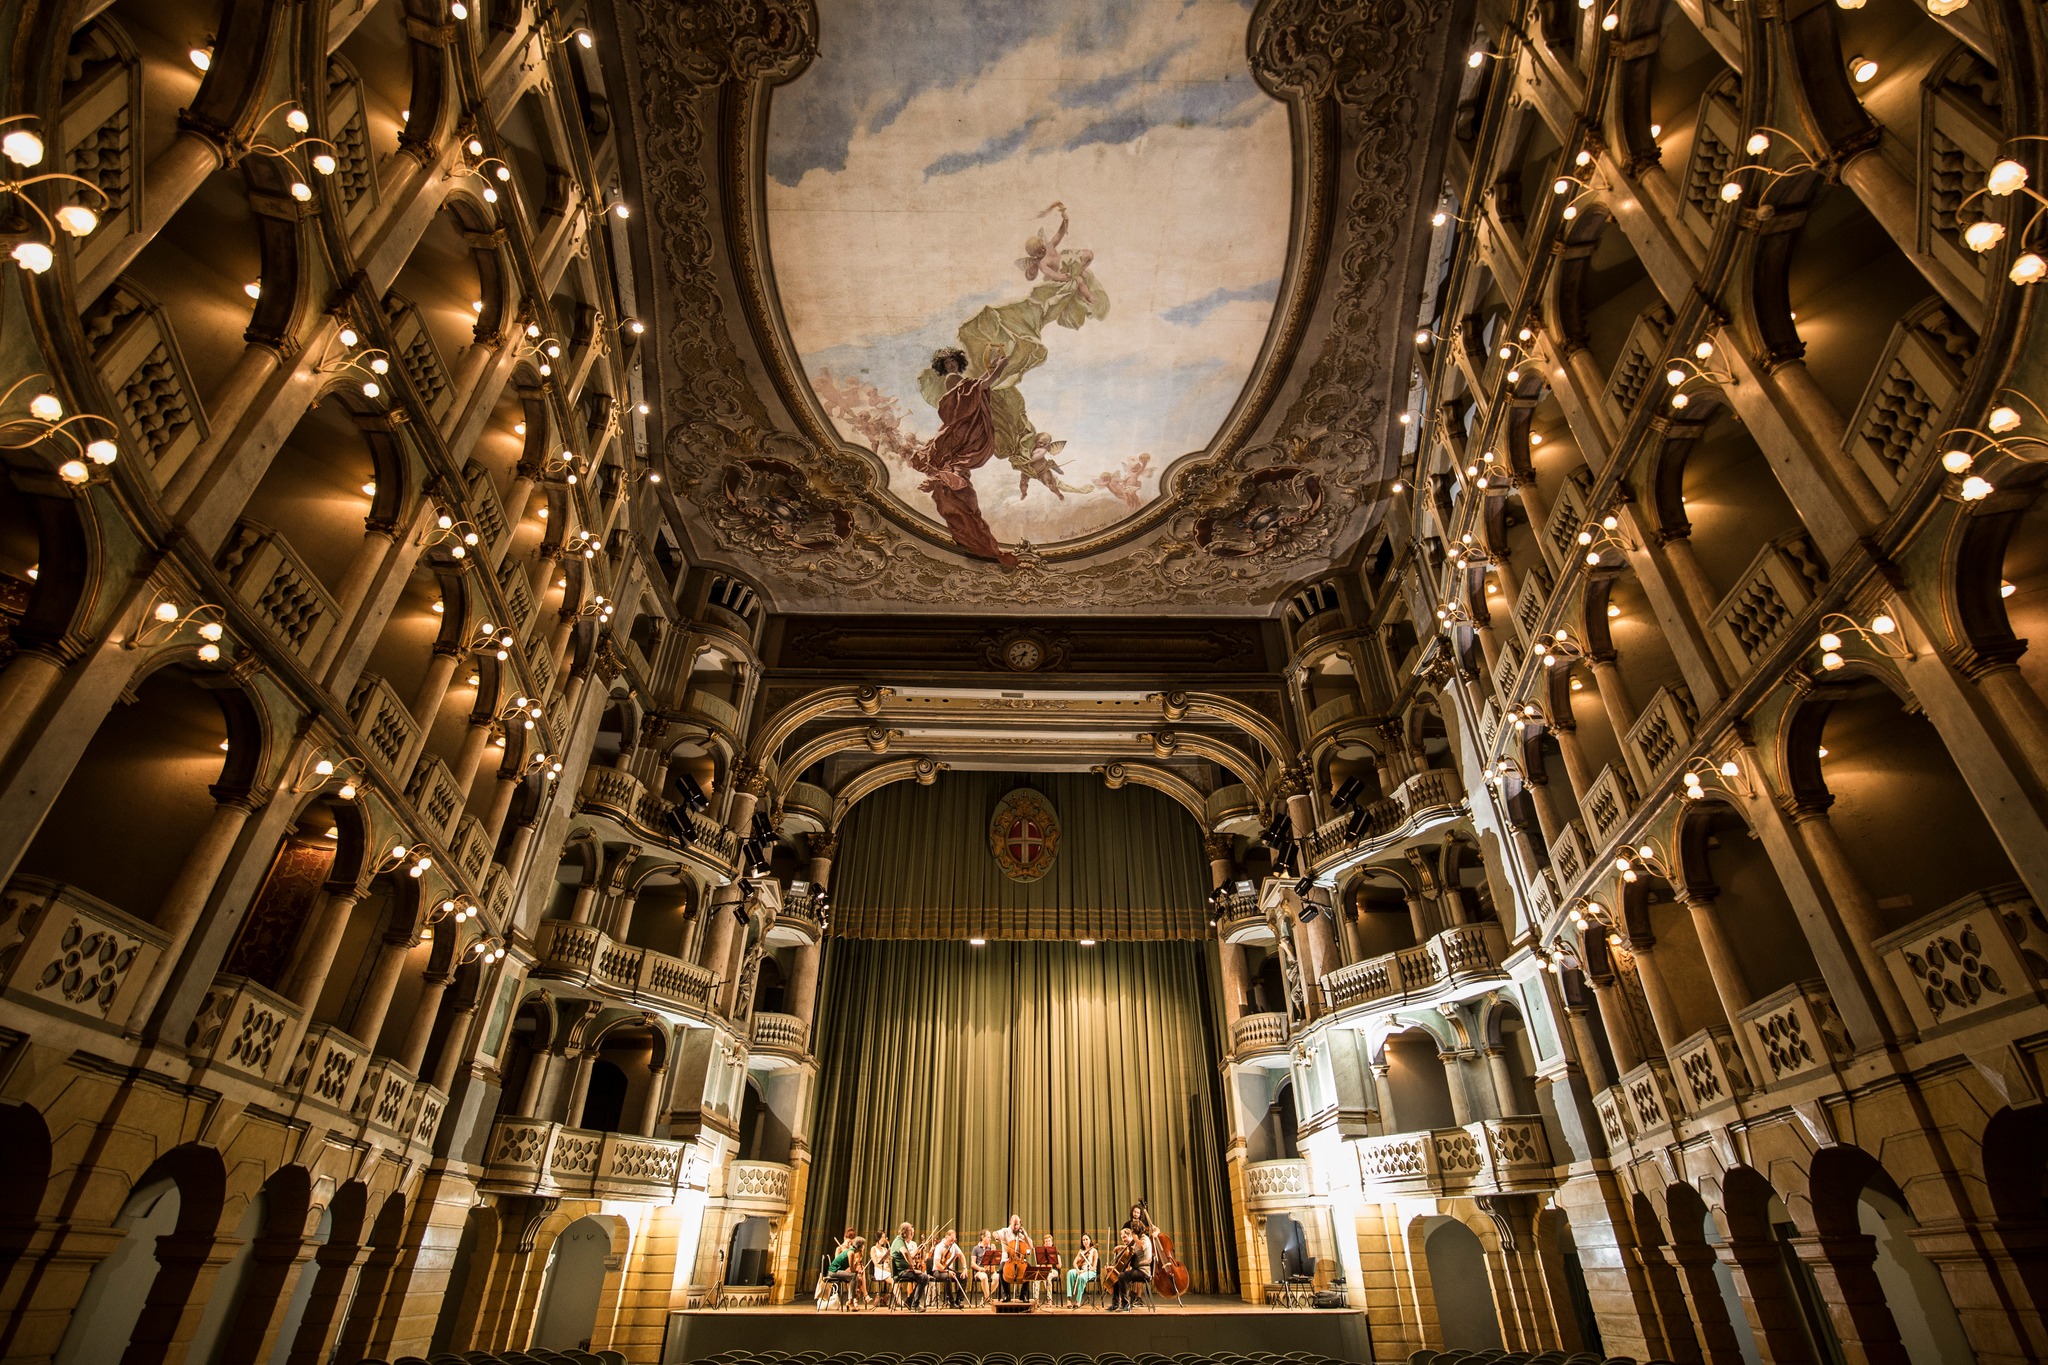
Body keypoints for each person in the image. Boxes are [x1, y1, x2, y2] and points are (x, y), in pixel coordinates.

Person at [1110, 1226, 1152, 1312]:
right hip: (1137, 1270)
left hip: (1143, 1271)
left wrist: (1135, 1238)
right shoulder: (1137, 1240)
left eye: (1133, 1233)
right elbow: (1132, 1249)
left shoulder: (1144, 1239)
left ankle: (1125, 1304)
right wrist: (1122, 1247)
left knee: (1122, 1276)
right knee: (1117, 1275)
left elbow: (1142, 1247)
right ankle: (1115, 1303)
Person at [890, 1222, 929, 1308]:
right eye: (910, 1231)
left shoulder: (901, 1241)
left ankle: (909, 1301)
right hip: (901, 1272)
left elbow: (908, 1255)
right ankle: (914, 1304)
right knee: (924, 1278)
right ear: (904, 1232)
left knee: (923, 1277)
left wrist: (919, 1249)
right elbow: (905, 1252)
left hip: (904, 1270)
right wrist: (912, 1266)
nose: (911, 1233)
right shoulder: (899, 1241)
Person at [995, 1213, 1031, 1302]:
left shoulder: (1022, 1234)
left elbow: (1030, 1246)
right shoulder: (1005, 1231)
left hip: (1020, 1259)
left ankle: (1023, 1294)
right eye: (1014, 1224)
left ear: (1020, 1224)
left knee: (1030, 1269)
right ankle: (1007, 1294)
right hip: (1007, 1259)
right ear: (1010, 1222)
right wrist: (996, 1236)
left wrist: (1025, 1235)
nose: (1015, 1226)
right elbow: (995, 1233)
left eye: (1017, 1224)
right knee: (1000, 1270)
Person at [929, 1230, 968, 1308]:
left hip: (949, 1270)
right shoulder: (939, 1247)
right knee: (947, 1277)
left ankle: (959, 1300)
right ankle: (951, 1302)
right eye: (951, 1240)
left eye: (954, 1240)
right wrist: (947, 1271)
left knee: (963, 1277)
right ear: (946, 1237)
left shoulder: (954, 1245)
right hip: (938, 1271)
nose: (952, 1242)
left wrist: (965, 1268)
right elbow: (937, 1263)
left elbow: (961, 1256)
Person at [825, 1230, 862, 1309]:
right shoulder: (851, 1253)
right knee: (854, 1276)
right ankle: (851, 1301)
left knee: (854, 1276)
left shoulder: (852, 1251)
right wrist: (856, 1270)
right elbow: (852, 1270)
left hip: (837, 1271)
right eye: (862, 1246)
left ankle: (851, 1300)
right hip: (833, 1272)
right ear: (860, 1246)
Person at [1064, 1234, 1098, 1308]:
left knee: (1081, 1277)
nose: (1085, 1241)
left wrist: (1085, 1271)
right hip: (1081, 1270)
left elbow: (1094, 1267)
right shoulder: (1081, 1251)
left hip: (1091, 1271)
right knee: (1070, 1273)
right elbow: (1074, 1262)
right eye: (1083, 1240)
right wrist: (1077, 1270)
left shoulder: (1094, 1251)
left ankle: (1078, 1301)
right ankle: (1069, 1299)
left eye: (1086, 1239)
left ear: (1090, 1240)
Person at [971, 1230, 999, 1304]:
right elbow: (972, 1263)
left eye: (990, 1237)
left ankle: (985, 1297)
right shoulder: (976, 1248)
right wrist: (980, 1268)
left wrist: (993, 1250)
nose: (990, 1239)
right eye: (988, 1237)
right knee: (984, 1277)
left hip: (990, 1270)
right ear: (982, 1237)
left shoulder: (991, 1247)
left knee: (997, 1278)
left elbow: (994, 1261)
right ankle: (987, 1297)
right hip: (980, 1271)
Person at [1032, 1232, 1061, 1303]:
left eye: (1049, 1241)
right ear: (1044, 1243)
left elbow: (1059, 1266)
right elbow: (1038, 1266)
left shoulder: (1056, 1253)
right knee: (1036, 1278)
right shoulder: (1041, 1253)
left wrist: (1056, 1262)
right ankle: (1036, 1300)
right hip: (1043, 1271)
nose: (1047, 1243)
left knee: (1048, 1277)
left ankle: (1049, 1300)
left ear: (1052, 1242)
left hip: (1053, 1271)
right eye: (1046, 1241)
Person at [868, 1229, 893, 1308]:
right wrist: (885, 1269)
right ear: (878, 1238)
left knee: (897, 1279)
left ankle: (886, 1297)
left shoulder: (885, 1249)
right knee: (893, 1281)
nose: (883, 1239)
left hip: (886, 1269)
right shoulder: (873, 1249)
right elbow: (875, 1263)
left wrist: (889, 1263)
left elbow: (887, 1261)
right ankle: (880, 1296)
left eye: (884, 1238)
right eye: (882, 1237)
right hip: (878, 1270)